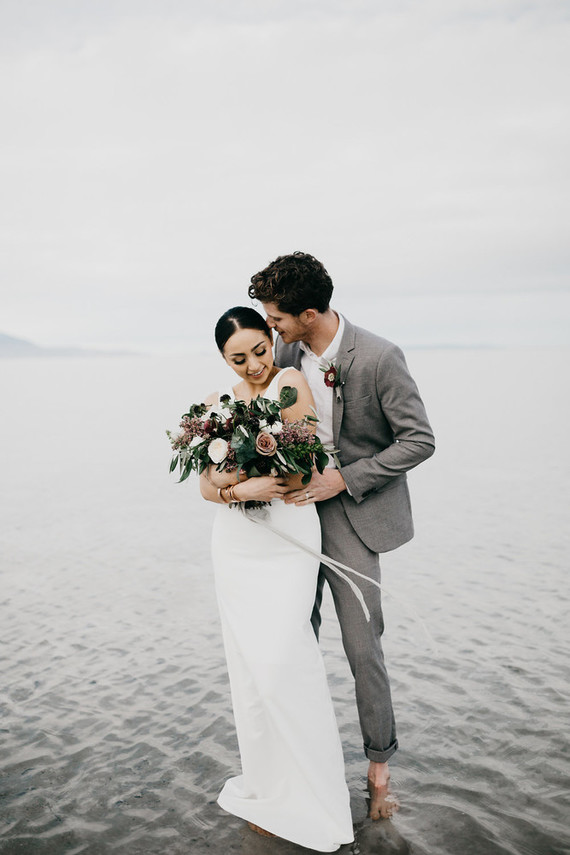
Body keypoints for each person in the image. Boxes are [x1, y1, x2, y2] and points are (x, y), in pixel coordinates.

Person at [248, 252, 436, 819]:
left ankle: (380, 772)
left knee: (362, 647)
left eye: (277, 318)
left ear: (308, 313)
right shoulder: (283, 353)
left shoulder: (379, 357)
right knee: (291, 639)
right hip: (291, 515)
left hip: (354, 514)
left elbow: (419, 440)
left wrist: (344, 480)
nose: (270, 329)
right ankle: (299, 763)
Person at [199, 306, 354, 851]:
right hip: (237, 545)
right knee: (251, 674)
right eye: (238, 358)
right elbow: (205, 486)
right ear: (224, 357)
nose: (255, 365)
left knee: (287, 661)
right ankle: (269, 788)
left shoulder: (291, 382)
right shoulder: (222, 403)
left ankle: (313, 797)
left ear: (271, 340)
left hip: (288, 539)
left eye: (260, 350)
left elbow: (301, 466)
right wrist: (240, 489)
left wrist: (241, 473)